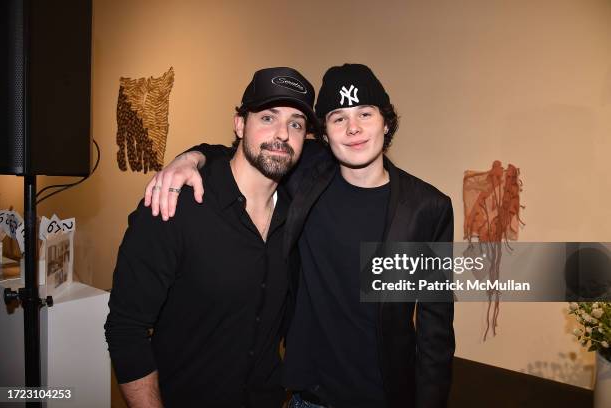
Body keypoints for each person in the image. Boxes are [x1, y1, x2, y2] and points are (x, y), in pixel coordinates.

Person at [145, 64, 455, 408]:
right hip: (307, 399)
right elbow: (247, 148)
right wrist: (190, 158)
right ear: (323, 133)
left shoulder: (427, 209)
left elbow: (435, 335)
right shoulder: (306, 174)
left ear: (386, 121)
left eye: (365, 113)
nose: (353, 128)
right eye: (338, 118)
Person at [105, 67, 319, 408]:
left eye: (296, 123)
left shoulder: (298, 215)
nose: (282, 134)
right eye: (267, 117)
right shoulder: (174, 204)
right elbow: (126, 329)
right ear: (239, 124)